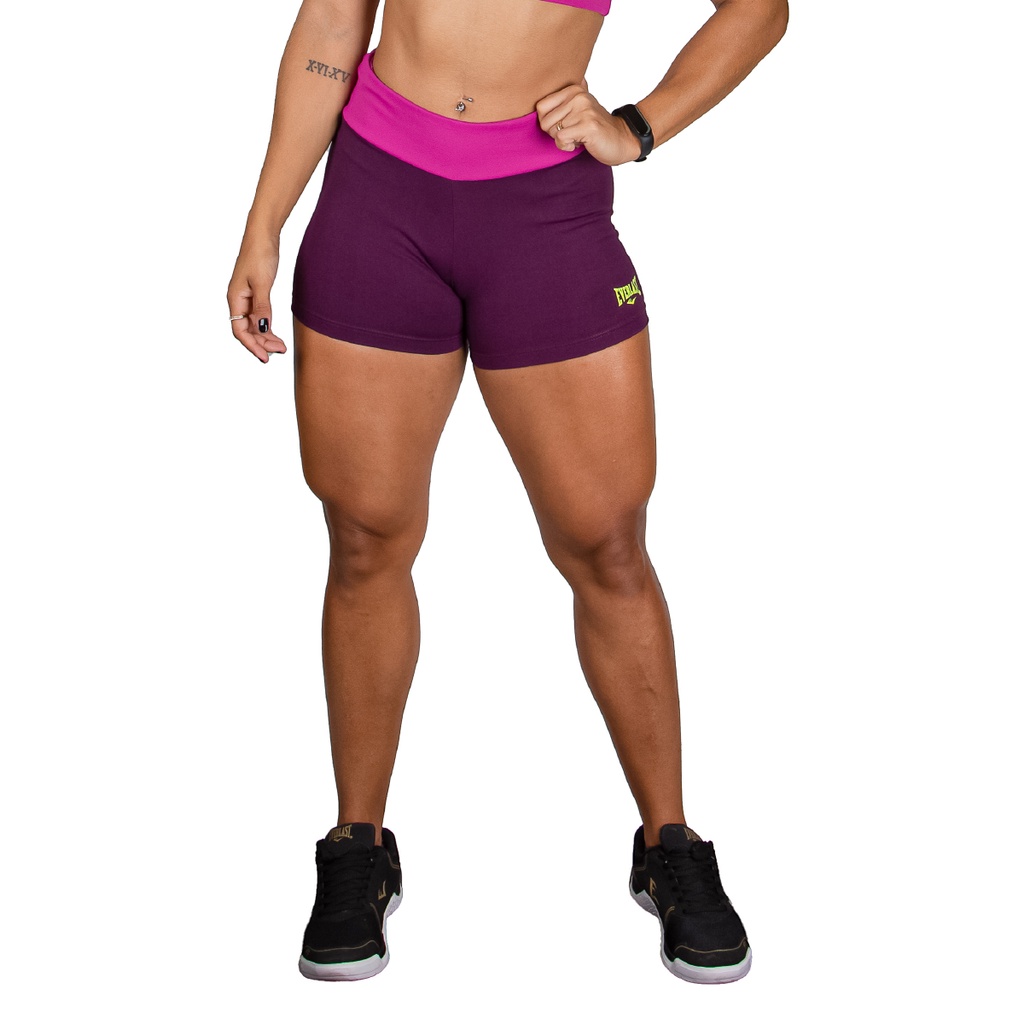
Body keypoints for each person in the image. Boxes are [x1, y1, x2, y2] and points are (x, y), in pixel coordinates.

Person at [227, 0, 788, 985]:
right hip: (377, 203)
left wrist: (638, 127)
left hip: (545, 215)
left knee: (606, 542)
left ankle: (669, 844)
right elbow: (331, 28)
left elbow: (760, 9)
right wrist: (264, 220)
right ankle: (358, 845)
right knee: (363, 534)